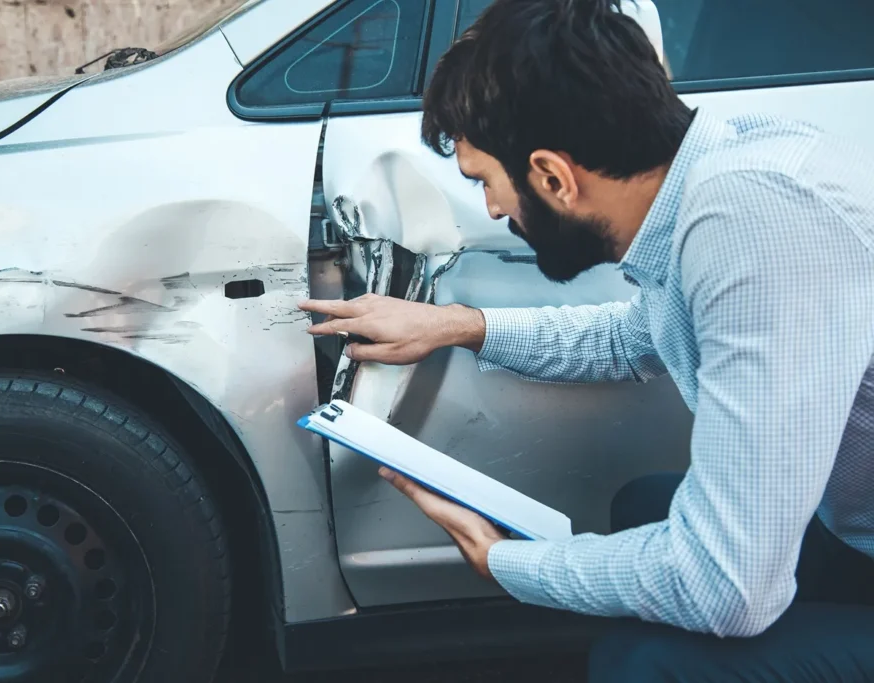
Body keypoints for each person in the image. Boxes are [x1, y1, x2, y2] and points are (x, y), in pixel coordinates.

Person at [298, 0, 874, 680]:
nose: (491, 211)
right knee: (644, 507)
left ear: (553, 176)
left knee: (642, 663)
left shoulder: (749, 224)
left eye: (485, 181)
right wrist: (455, 326)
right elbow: (632, 339)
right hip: (854, 532)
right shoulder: (715, 172)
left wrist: (508, 564)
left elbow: (729, 587)